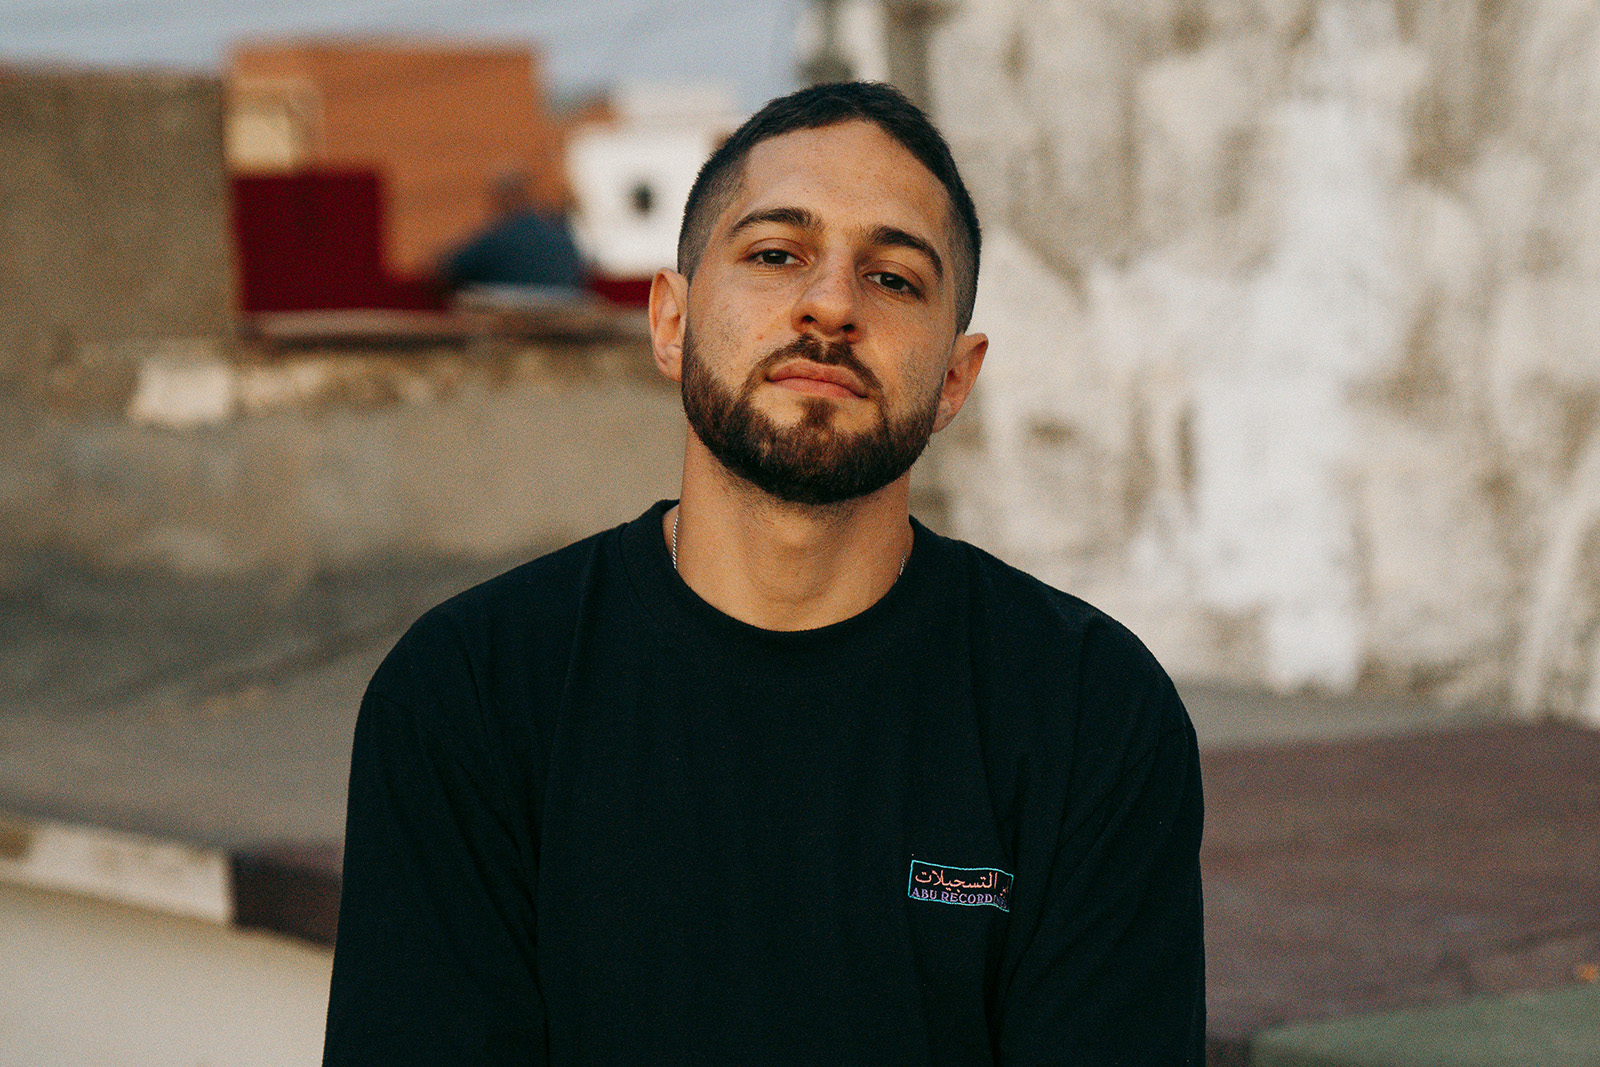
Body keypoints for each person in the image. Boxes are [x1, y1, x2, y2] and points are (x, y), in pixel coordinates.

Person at [324, 82, 1205, 1066]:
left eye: (896, 279)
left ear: (955, 379)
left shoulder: (1090, 711)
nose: (830, 302)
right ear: (670, 320)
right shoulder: (471, 691)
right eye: (777, 253)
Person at [437, 170, 586, 292]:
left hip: (508, 321)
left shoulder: (498, 238)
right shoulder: (560, 236)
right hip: (560, 320)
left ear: (506, 198)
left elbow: (449, 269)